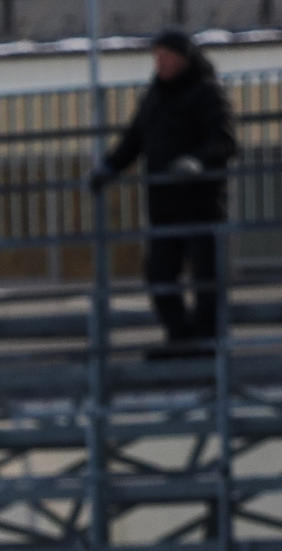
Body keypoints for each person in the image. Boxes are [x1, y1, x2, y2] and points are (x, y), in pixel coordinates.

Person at [88, 29, 239, 356]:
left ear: (185, 59)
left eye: (167, 57)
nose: (161, 63)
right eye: (157, 57)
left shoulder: (206, 93)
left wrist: (196, 162)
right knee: (159, 273)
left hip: (202, 202)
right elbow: (134, 139)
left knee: (207, 275)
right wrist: (109, 168)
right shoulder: (155, 96)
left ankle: (207, 341)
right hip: (163, 203)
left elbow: (225, 141)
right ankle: (180, 337)